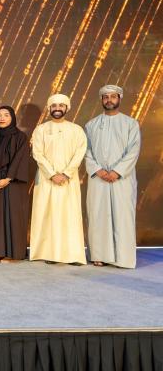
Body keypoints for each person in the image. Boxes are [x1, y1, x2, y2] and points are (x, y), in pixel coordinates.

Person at [85, 85, 141, 268]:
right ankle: (99, 255)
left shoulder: (131, 124)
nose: (109, 100)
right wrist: (98, 170)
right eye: (105, 97)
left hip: (122, 179)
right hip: (98, 178)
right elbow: (86, 151)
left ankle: (123, 258)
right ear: (102, 100)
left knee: (123, 216)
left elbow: (134, 150)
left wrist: (117, 171)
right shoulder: (91, 125)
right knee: (98, 215)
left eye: (113, 96)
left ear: (119, 98)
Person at [29, 94, 87, 265]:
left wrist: (66, 173)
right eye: (54, 106)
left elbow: (80, 153)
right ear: (49, 108)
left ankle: (73, 255)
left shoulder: (76, 130)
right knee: (47, 215)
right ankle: (49, 253)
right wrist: (52, 174)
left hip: (69, 180)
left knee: (69, 215)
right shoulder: (41, 130)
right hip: (46, 179)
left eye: (61, 105)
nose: (57, 108)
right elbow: (37, 153)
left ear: (67, 108)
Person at [0, 105, 30, 263]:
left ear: (12, 118)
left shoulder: (20, 137)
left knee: (12, 217)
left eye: (6, 115)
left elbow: (20, 159)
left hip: (13, 183)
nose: (2, 118)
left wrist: (8, 178)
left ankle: (13, 253)